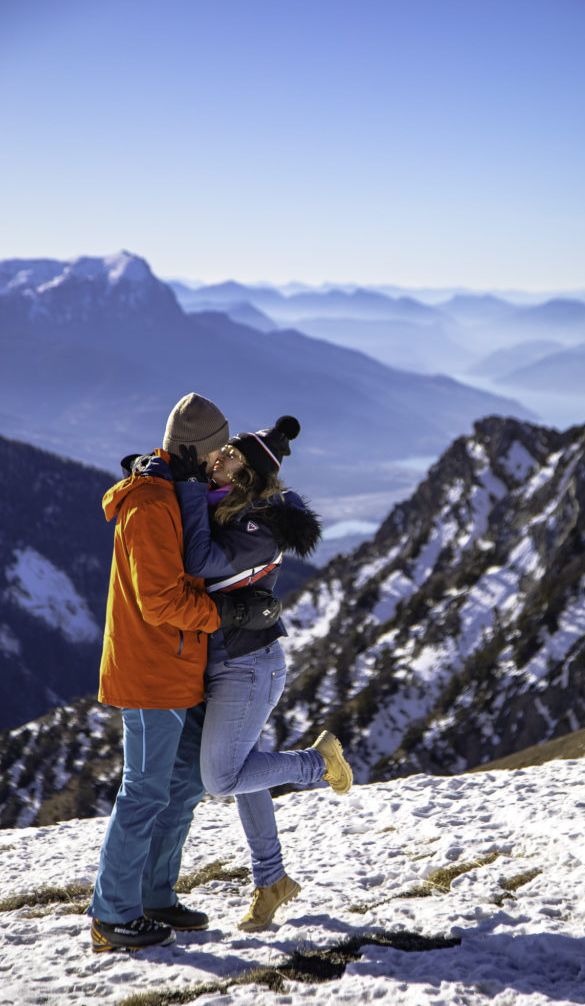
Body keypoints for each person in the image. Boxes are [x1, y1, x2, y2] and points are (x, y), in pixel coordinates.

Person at [89, 393, 282, 953]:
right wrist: (227, 614)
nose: (223, 457)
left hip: (179, 666)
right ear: (197, 451)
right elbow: (159, 600)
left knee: (185, 783)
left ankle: (153, 894)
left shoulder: (173, 489)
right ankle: (112, 913)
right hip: (152, 669)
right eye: (218, 449)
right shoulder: (151, 505)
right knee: (144, 791)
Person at [174, 414, 353, 932]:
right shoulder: (226, 507)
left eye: (232, 455)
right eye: (223, 450)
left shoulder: (260, 530)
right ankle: (272, 881)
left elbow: (199, 558)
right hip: (227, 661)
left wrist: (185, 488)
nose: (220, 458)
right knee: (245, 770)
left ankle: (318, 765)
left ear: (249, 475)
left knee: (222, 777)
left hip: (248, 668)